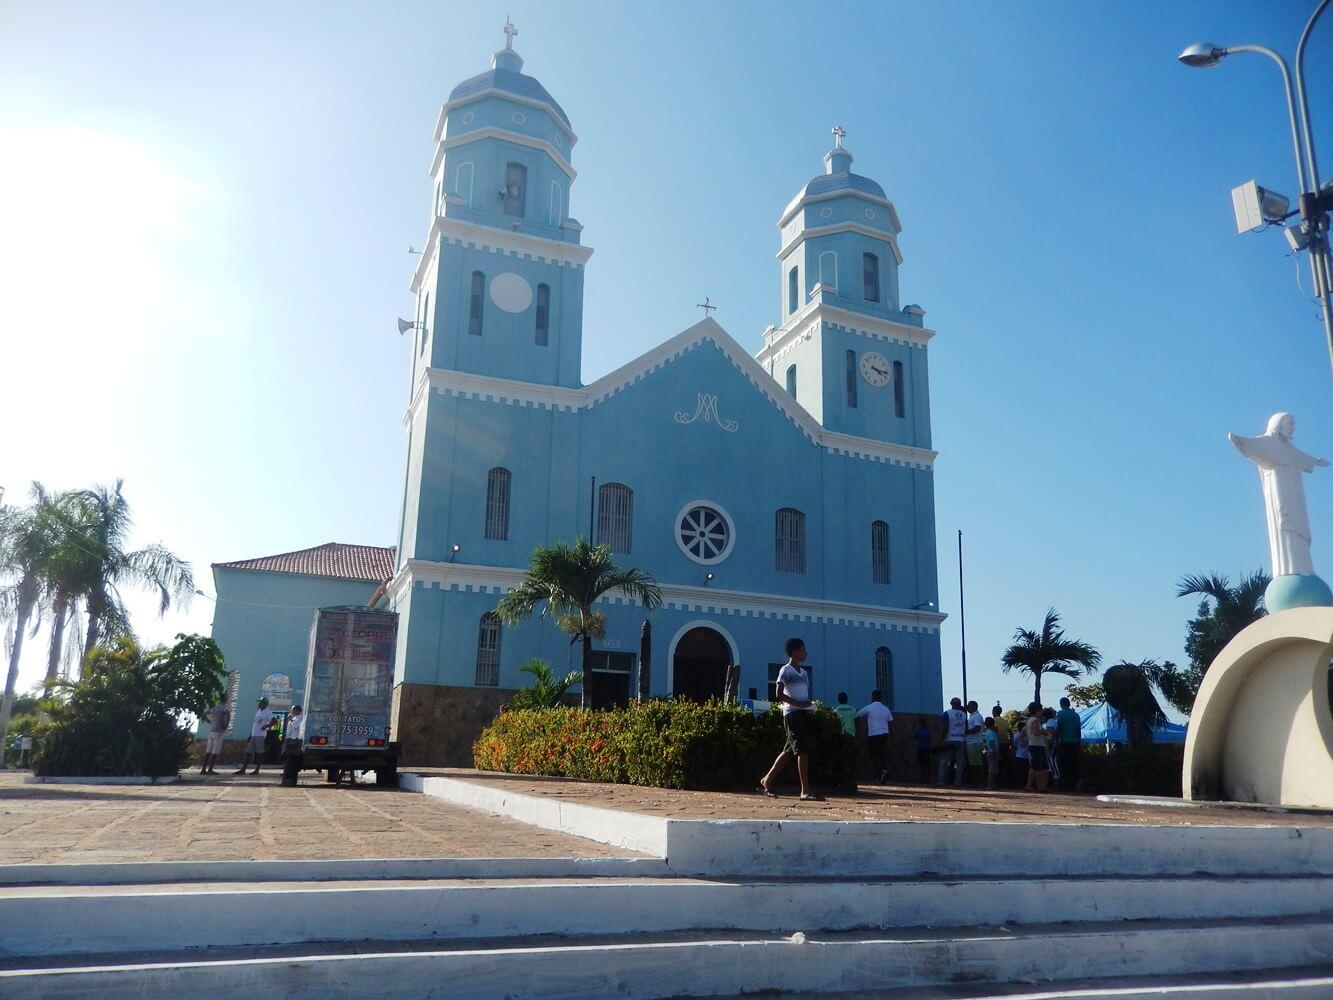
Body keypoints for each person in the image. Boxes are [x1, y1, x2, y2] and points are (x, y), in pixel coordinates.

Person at [759, 638, 822, 801]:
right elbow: (779, 694)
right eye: (803, 649)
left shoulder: (804, 673)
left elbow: (803, 693)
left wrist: (807, 705)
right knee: (802, 750)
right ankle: (805, 790)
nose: (805, 652)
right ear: (795, 652)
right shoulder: (785, 670)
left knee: (788, 751)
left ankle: (767, 780)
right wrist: (799, 704)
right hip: (792, 714)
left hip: (802, 713)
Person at [857, 689, 894, 783]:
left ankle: (881, 771)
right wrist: (892, 735)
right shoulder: (886, 709)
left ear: (872, 697)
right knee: (882, 755)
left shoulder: (870, 707)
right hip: (885, 734)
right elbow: (891, 723)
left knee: (875, 755)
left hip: (874, 734)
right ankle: (880, 776)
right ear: (880, 697)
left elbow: (858, 715)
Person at [235, 697, 276, 775]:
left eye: (260, 702)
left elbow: (274, 721)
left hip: (261, 735)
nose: (259, 704)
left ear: (265, 704)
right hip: (254, 734)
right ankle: (243, 769)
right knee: (248, 752)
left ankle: (257, 770)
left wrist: (266, 726)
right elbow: (255, 724)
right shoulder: (258, 712)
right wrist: (251, 734)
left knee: (259, 753)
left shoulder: (268, 712)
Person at [937, 697, 968, 786]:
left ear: (951, 703)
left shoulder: (947, 713)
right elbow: (965, 727)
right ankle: (958, 782)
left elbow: (945, 727)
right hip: (961, 740)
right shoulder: (964, 714)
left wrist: (941, 738)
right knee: (959, 762)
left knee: (944, 761)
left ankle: (941, 781)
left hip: (949, 739)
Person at [1055, 697, 1082, 791]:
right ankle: (1075, 782)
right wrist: (1079, 742)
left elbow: (1059, 727)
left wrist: (1055, 740)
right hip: (1075, 742)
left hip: (1064, 742)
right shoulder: (1076, 715)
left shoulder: (1061, 713)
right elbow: (1078, 730)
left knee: (1062, 763)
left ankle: (1065, 783)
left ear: (1061, 704)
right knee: (1074, 763)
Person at [1024, 702, 1050, 792]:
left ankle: (1040, 786)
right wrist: (1044, 731)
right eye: (1041, 710)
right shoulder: (1035, 720)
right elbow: (1035, 732)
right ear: (1037, 711)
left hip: (1033, 744)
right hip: (1037, 745)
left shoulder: (1030, 720)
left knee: (1038, 767)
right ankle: (1030, 785)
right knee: (1036, 767)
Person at [200, 701, 231, 775]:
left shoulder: (213, 707)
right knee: (215, 752)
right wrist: (226, 726)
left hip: (212, 731)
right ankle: (210, 770)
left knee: (208, 751)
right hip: (219, 732)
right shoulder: (224, 708)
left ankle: (203, 769)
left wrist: (210, 722)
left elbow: (204, 714)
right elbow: (228, 716)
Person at [281, 705, 305, 786]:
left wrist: (290, 720)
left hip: (294, 739)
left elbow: (295, 726)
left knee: (291, 757)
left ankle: (290, 772)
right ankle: (287, 771)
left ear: (297, 711)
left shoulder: (299, 718)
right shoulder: (295, 718)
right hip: (290, 738)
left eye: (293, 710)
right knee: (285, 755)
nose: (291, 711)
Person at [964, 700, 986, 785]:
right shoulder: (973, 716)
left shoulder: (977, 716)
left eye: (969, 706)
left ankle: (977, 781)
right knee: (974, 763)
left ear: (973, 707)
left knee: (976, 764)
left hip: (974, 742)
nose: (968, 708)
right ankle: (976, 781)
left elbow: (977, 728)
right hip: (972, 742)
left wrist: (967, 731)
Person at [990, 705, 1010, 786]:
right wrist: (1011, 743)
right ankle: (1004, 781)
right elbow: (1010, 732)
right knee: (1004, 763)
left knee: (996, 762)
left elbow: (993, 732)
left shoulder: (993, 721)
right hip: (1006, 743)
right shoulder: (1004, 721)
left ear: (994, 711)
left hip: (998, 743)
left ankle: (996, 782)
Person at [1042, 707, 1062, 786]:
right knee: (1053, 761)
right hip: (1055, 743)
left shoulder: (1049, 723)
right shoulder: (1053, 722)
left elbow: (1050, 735)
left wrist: (1048, 745)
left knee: (1052, 761)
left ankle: (1056, 779)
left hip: (1052, 744)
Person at [982, 717, 1001, 790]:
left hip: (990, 751)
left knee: (992, 769)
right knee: (992, 770)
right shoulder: (991, 733)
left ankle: (991, 784)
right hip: (992, 752)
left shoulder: (987, 732)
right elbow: (992, 743)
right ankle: (990, 785)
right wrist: (996, 753)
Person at [1013, 719, 1030, 785]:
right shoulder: (1017, 735)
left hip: (1024, 755)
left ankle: (1022, 783)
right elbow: (1014, 745)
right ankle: (1020, 783)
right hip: (1020, 755)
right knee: (1021, 771)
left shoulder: (1018, 735)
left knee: (1024, 771)